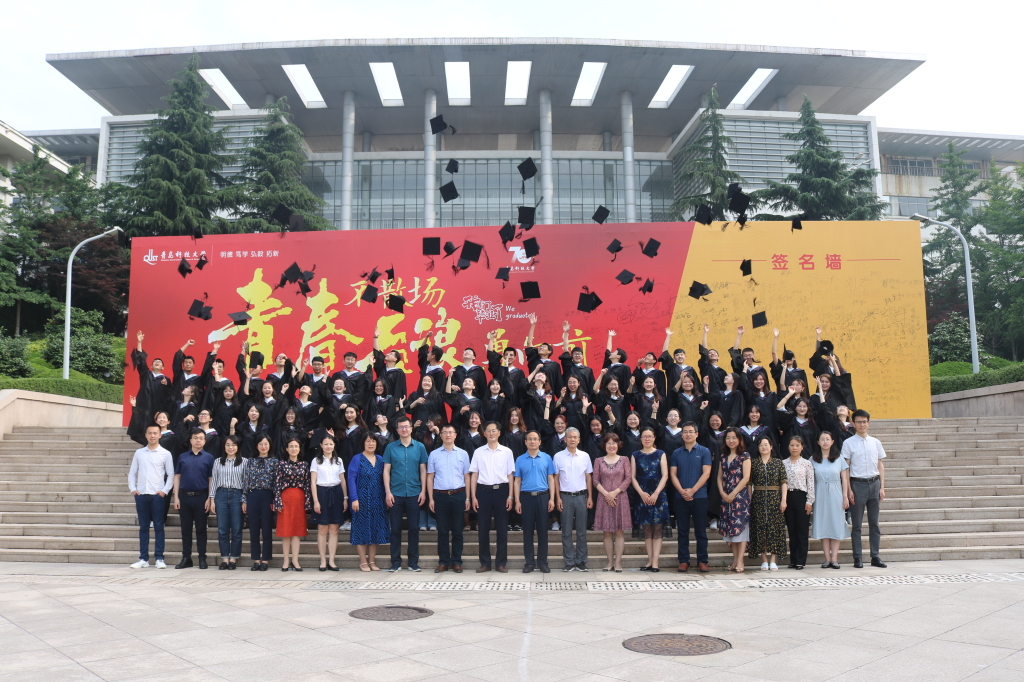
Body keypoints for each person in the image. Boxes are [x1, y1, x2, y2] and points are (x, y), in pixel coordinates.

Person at [842, 409, 887, 568]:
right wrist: (849, 490)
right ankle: (858, 558)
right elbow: (846, 468)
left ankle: (875, 556)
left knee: (874, 524)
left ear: (869, 423)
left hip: (874, 484)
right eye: (858, 422)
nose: (862, 424)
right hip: (857, 485)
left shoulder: (875, 442)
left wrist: (882, 487)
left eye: (864, 421)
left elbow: (880, 465)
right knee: (857, 525)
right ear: (853, 423)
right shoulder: (848, 443)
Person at [382, 416, 428, 572]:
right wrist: (388, 492)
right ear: (397, 430)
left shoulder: (420, 447)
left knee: (414, 529)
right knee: (395, 529)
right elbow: (386, 471)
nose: (404, 429)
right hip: (396, 493)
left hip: (415, 492)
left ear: (411, 428)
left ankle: (413, 562)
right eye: (401, 427)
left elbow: (423, 470)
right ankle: (395, 562)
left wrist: (423, 491)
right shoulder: (390, 447)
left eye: (406, 426)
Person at [470, 421, 516, 572]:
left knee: (502, 529)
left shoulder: (507, 452)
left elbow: (510, 475)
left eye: (494, 430)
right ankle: (485, 563)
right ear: (484, 433)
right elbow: (474, 475)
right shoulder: (478, 452)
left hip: (502, 491)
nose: (491, 433)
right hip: (483, 492)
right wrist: (473, 497)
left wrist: (510, 496)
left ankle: (501, 563)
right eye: (488, 431)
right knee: (483, 529)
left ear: (499, 433)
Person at [128, 424, 174, 569]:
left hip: (157, 496)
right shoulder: (139, 453)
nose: (152, 435)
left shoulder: (166, 454)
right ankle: (143, 559)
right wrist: (133, 490)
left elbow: (171, 475)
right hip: (141, 495)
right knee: (143, 528)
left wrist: (164, 491)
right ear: (146, 435)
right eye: (150, 433)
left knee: (159, 527)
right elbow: (132, 473)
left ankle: (159, 558)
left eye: (155, 433)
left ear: (160, 435)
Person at [427, 424, 471, 573]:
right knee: (443, 531)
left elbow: (467, 476)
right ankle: (443, 561)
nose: (448, 435)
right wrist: (431, 498)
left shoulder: (463, 454)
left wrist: (468, 498)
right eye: (445, 432)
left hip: (458, 495)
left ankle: (457, 561)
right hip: (440, 496)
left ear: (455, 435)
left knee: (458, 531)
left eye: (450, 432)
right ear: (440, 435)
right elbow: (430, 477)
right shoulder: (434, 454)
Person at [669, 421, 712, 573]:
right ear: (681, 435)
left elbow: (706, 474)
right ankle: (683, 560)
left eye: (691, 431)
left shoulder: (704, 451)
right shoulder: (676, 453)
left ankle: (702, 561)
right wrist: (682, 491)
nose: (688, 434)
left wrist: (692, 491)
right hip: (680, 497)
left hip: (699, 496)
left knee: (701, 531)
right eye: (685, 432)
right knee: (682, 531)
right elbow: (673, 474)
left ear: (696, 434)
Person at [513, 430, 557, 573]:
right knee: (527, 531)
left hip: (543, 497)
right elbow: (517, 481)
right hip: (526, 498)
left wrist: (552, 499)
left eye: (535, 439)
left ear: (539, 442)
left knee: (543, 531)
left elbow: (551, 479)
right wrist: (517, 501)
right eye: (530, 439)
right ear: (525, 442)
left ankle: (543, 562)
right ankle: (529, 563)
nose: (532, 441)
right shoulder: (520, 459)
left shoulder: (546, 458)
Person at [172, 428, 215, 569]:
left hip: (201, 497)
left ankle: (202, 558)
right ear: (191, 440)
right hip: (184, 497)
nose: (198, 440)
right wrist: (176, 497)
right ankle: (186, 558)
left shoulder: (209, 457)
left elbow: (211, 479)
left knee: (201, 529)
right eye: (195, 438)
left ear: (204, 441)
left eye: (201, 438)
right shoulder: (182, 457)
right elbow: (177, 477)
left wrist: (209, 498)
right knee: (186, 529)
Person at [348, 431, 390, 571]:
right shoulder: (357, 459)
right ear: (363, 443)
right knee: (361, 530)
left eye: (373, 441)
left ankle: (372, 561)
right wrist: (354, 498)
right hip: (361, 500)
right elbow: (351, 480)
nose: (371, 443)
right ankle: (363, 562)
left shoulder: (381, 459)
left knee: (375, 530)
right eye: (368, 441)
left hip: (378, 500)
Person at [553, 427, 593, 571]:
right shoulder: (558, 456)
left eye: (575, 437)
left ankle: (581, 561)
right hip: (565, 497)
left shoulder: (585, 456)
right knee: (566, 532)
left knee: (582, 531)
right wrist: (558, 498)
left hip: (582, 496)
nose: (572, 439)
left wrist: (590, 497)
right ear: (565, 439)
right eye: (569, 437)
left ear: (579, 440)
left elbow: (588, 477)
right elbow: (556, 479)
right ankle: (569, 561)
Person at [631, 427, 669, 572]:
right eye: (644, 436)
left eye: (650, 436)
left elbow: (665, 475)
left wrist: (656, 493)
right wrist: (641, 493)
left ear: (654, 438)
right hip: (642, 494)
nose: (647, 439)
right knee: (647, 529)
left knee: (657, 529)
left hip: (658, 494)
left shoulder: (661, 454)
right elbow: (632, 477)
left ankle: (655, 562)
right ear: (640, 438)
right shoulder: (635, 455)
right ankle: (649, 560)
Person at [592, 432, 631, 572]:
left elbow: (628, 478)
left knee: (619, 532)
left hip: (620, 498)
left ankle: (618, 563)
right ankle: (609, 562)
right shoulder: (598, 461)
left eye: (614, 443)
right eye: (608, 443)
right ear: (604, 445)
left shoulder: (625, 459)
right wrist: (606, 494)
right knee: (607, 532)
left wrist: (614, 492)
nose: (611, 445)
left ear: (618, 444)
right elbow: (595, 480)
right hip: (604, 499)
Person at [748, 436, 788, 571]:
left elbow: (783, 482)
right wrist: (749, 499)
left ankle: (773, 560)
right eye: (761, 445)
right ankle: (764, 559)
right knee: (760, 529)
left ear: (771, 447)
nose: (763, 447)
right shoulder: (754, 463)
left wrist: (784, 499)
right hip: (758, 498)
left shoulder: (778, 463)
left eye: (766, 444)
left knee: (775, 529)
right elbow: (749, 483)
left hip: (775, 498)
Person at [812, 430, 850, 568]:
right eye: (822, 439)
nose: (825, 442)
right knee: (823, 524)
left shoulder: (839, 458)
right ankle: (827, 559)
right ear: (818, 442)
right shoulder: (813, 459)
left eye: (827, 439)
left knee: (835, 524)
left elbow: (844, 479)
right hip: (820, 493)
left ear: (832, 441)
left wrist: (845, 496)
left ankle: (834, 558)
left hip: (836, 493)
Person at [311, 433, 348, 571]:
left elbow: (343, 480)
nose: (328, 446)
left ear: (334, 445)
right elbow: (313, 482)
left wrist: (345, 498)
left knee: (334, 529)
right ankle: (322, 560)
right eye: (326, 444)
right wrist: (316, 501)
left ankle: (331, 561)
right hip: (322, 493)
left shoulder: (339, 461)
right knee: (322, 529)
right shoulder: (316, 461)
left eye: (331, 444)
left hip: (337, 493)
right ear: (321, 445)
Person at [210, 435, 247, 570]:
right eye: (228, 445)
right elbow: (214, 481)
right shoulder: (218, 461)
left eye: (233, 445)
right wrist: (212, 499)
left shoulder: (244, 461)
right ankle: (225, 559)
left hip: (237, 495)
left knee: (236, 529)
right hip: (221, 495)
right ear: (224, 446)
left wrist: (244, 499)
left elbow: (246, 482)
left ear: (238, 447)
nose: (231, 447)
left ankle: (233, 559)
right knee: (222, 529)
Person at [274, 437, 311, 570]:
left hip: (299, 498)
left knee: (296, 531)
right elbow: (277, 484)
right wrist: (277, 501)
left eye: (296, 446)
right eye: (291, 446)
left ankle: (295, 560)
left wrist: (307, 502)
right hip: (285, 498)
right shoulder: (281, 464)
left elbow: (307, 484)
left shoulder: (304, 465)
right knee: (286, 531)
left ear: (299, 449)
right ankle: (285, 561)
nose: (294, 449)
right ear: (287, 449)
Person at [241, 433, 277, 571]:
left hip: (268, 496)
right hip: (253, 495)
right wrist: (244, 499)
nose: (263, 446)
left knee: (267, 529)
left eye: (266, 444)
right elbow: (246, 481)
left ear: (270, 445)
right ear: (256, 446)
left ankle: (265, 560)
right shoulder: (250, 461)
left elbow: (276, 483)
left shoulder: (274, 462)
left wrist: (276, 499)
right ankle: (256, 560)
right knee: (254, 529)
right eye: (260, 444)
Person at [718, 428, 751, 572]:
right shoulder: (723, 456)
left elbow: (746, 477)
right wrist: (722, 493)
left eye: (734, 437)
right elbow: (719, 477)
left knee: (741, 529)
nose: (731, 440)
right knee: (731, 530)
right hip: (726, 498)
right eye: (728, 438)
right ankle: (735, 560)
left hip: (740, 498)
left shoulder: (745, 456)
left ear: (739, 439)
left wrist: (733, 493)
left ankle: (741, 561)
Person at [782, 436, 815, 569]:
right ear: (788, 447)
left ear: (802, 447)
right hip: (787, 496)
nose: (794, 448)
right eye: (792, 445)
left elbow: (811, 483)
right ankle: (793, 560)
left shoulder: (807, 464)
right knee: (792, 529)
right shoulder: (783, 463)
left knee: (802, 530)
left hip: (801, 497)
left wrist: (810, 501)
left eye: (797, 445)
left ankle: (801, 560)